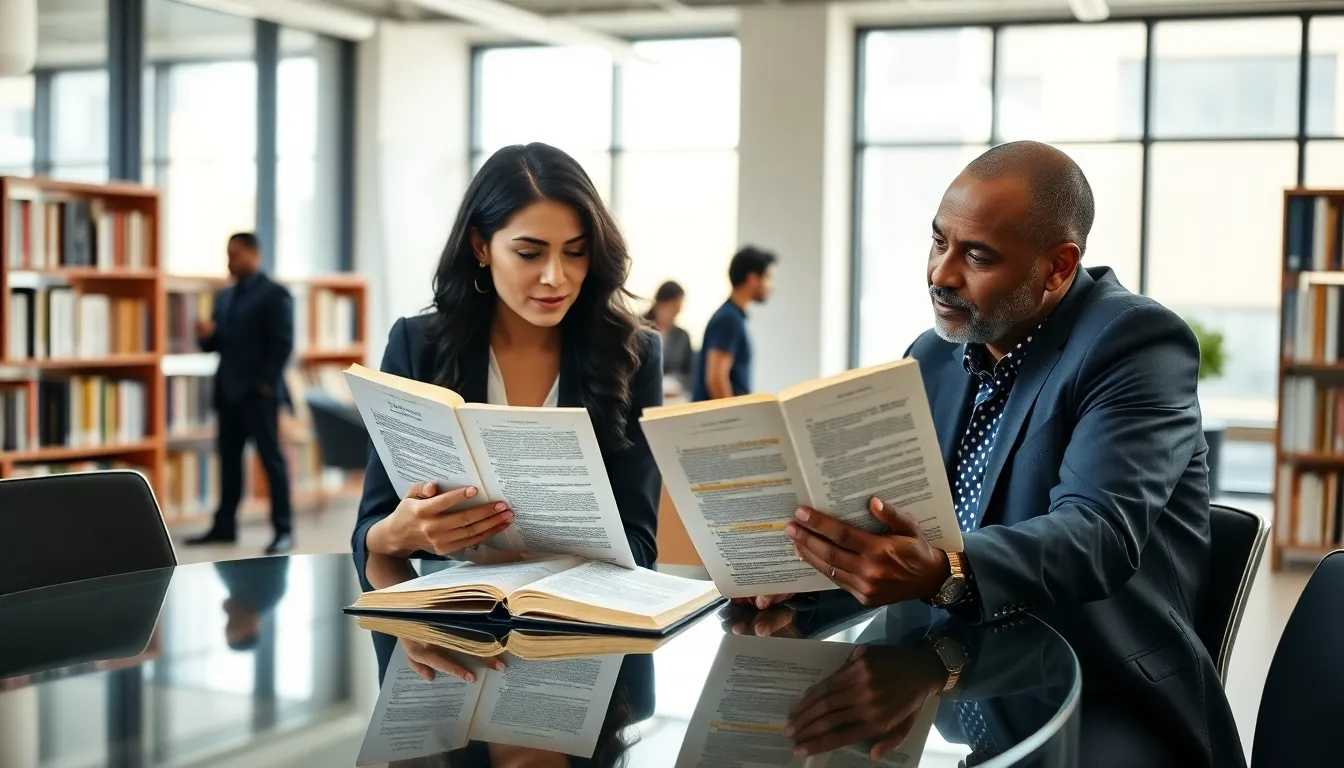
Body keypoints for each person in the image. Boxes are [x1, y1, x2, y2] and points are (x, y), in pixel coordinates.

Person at [736, 142, 1242, 767]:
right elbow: (896, 528)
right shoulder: (933, 355)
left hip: (1103, 691)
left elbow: (1097, 534)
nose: (942, 275)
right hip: (948, 682)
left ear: (1059, 266)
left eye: (976, 256)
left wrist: (945, 569)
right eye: (938, 241)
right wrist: (804, 580)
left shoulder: (1135, 343)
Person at [350, 142, 663, 572]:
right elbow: (372, 522)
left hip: (578, 622)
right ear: (481, 247)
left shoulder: (633, 354)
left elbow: (640, 542)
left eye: (575, 251)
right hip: (457, 617)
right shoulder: (417, 345)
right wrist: (400, 533)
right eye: (529, 253)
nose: (556, 277)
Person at [187, 232, 295, 555]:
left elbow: (283, 344)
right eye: (227, 254)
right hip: (228, 393)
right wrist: (206, 336)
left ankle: (283, 530)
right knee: (229, 463)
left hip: (258, 395)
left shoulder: (275, 294)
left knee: (271, 462)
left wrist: (264, 384)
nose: (229, 261)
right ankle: (224, 526)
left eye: (234, 254)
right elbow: (216, 345)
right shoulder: (225, 296)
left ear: (254, 254)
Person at [691, 246, 776, 401]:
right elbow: (716, 379)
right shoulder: (728, 319)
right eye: (768, 278)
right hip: (718, 423)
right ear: (752, 279)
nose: (772, 287)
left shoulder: (733, 316)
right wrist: (733, 423)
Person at [644, 280, 693, 399]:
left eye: (677, 311)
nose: (673, 315)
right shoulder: (638, 329)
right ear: (660, 304)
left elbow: (689, 372)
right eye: (671, 308)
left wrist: (676, 384)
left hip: (673, 397)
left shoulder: (682, 336)